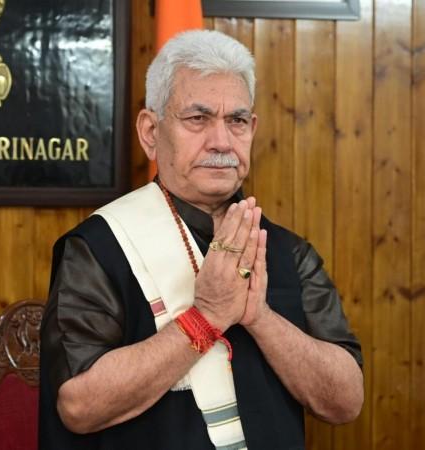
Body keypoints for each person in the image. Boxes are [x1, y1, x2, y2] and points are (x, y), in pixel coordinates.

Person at [39, 30, 363, 450]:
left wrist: (260, 318)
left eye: (237, 120)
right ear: (151, 132)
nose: (222, 141)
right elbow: (79, 406)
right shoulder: (99, 248)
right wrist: (205, 318)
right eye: (198, 118)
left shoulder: (287, 252)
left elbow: (346, 401)